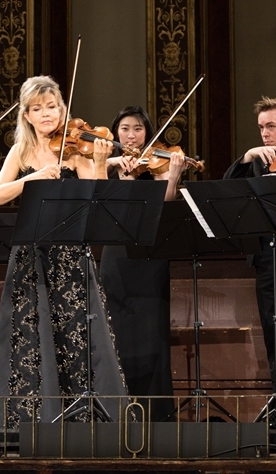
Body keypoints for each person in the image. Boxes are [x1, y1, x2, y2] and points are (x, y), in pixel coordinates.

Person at [0, 75, 124, 435]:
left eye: (52, 106)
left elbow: (96, 197)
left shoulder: (75, 150)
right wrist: (33, 178)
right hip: (32, 254)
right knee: (31, 334)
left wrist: (100, 163)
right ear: (26, 115)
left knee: (77, 331)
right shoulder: (21, 152)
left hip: (70, 253)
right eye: (37, 108)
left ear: (62, 110)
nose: (46, 114)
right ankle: (29, 421)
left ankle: (83, 419)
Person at [223, 97, 276, 428]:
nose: (264, 134)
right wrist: (245, 159)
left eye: (270, 126)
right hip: (267, 258)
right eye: (261, 127)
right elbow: (227, 192)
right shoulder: (257, 162)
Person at [99, 106, 186, 422]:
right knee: (115, 333)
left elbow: (166, 204)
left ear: (147, 133)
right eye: (124, 128)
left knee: (152, 335)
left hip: (149, 256)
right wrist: (115, 168)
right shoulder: (104, 166)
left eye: (137, 128)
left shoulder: (157, 165)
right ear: (115, 132)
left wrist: (173, 175)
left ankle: (156, 416)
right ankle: (117, 413)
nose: (131, 135)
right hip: (116, 256)